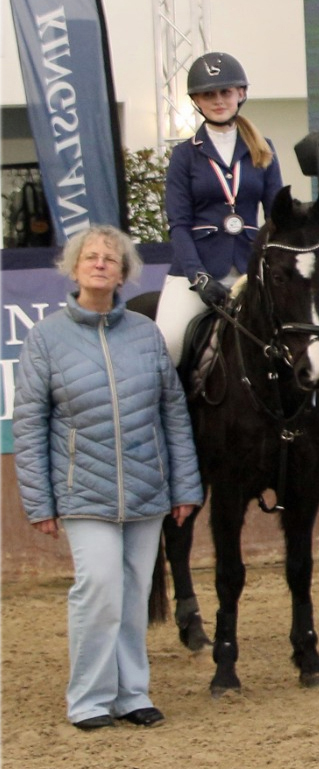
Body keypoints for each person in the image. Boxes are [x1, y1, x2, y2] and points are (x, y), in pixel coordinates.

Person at [12, 226, 203, 730]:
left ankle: (131, 694)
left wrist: (185, 485)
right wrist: (40, 501)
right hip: (82, 490)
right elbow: (29, 423)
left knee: (135, 593)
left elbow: (173, 413)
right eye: (91, 257)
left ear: (123, 274)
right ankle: (90, 700)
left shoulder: (146, 334)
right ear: (74, 268)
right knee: (98, 588)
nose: (100, 264)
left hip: (147, 488)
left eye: (110, 259)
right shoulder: (46, 338)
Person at [155, 51, 319, 467]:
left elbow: (277, 216)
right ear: (196, 101)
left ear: (241, 93)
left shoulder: (262, 149)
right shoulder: (185, 155)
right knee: (168, 342)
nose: (218, 100)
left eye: (225, 92)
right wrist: (198, 276)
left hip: (253, 269)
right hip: (198, 270)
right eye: (208, 94)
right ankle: (170, 441)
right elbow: (178, 224)